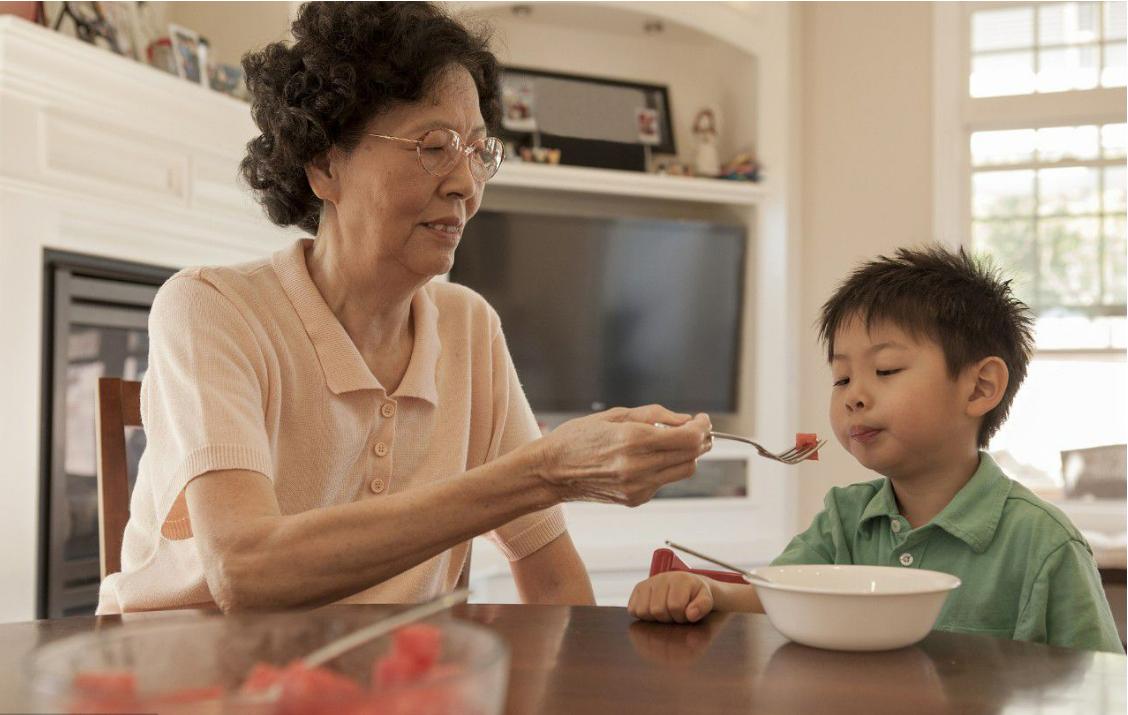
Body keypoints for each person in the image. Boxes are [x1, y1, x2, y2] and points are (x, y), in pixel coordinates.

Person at [97, 2, 712, 614]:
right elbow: (245, 571)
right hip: (185, 683)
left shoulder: (469, 328)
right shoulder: (212, 308)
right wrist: (541, 472)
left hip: (388, 684)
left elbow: (552, 583)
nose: (466, 185)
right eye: (434, 146)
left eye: (477, 151)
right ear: (323, 163)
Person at [629, 245, 1123, 653]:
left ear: (979, 388)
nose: (853, 395)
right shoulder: (844, 518)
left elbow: (1099, 687)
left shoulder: (1044, 545)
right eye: (841, 377)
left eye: (885, 370)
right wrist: (707, 591)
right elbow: (781, 597)